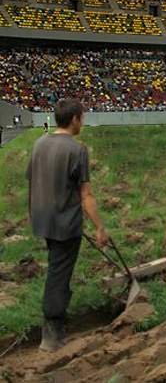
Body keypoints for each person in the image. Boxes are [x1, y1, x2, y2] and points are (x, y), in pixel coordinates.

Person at [27, 99, 109, 352]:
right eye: (82, 118)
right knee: (58, 274)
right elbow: (86, 195)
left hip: (42, 218)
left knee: (57, 267)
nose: (82, 122)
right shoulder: (77, 149)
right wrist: (99, 227)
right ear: (74, 119)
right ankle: (52, 333)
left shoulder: (39, 143)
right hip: (65, 222)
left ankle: (59, 318)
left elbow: (34, 179)